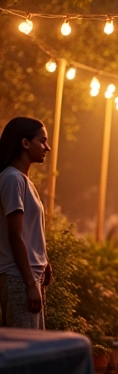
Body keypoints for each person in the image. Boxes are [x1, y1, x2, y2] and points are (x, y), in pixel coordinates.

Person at [0, 118, 51, 329]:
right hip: (18, 277)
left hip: (29, 276)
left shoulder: (23, 180)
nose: (47, 147)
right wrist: (29, 283)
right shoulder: (12, 179)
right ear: (25, 143)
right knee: (25, 353)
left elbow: (31, 231)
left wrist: (45, 261)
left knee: (35, 350)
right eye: (43, 141)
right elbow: (15, 235)